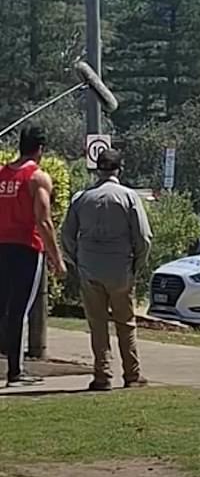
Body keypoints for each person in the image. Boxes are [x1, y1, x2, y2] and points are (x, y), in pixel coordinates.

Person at [62, 148, 152, 392]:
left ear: (98, 169)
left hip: (90, 267)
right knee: (126, 322)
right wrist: (137, 264)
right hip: (120, 267)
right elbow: (143, 237)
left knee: (97, 323)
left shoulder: (82, 198)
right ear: (119, 169)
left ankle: (102, 374)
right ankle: (132, 373)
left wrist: (77, 261)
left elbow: (67, 235)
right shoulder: (129, 197)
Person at [0, 125, 66, 387]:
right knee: (19, 310)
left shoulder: (2, 173)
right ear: (40, 149)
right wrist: (57, 259)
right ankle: (16, 370)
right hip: (26, 248)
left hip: (1, 245)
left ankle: (13, 365)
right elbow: (44, 221)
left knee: (2, 307)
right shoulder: (37, 178)